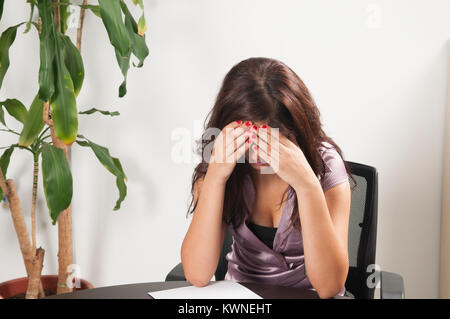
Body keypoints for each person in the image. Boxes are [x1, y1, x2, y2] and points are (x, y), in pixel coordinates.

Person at [181, 57, 354, 298]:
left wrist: (307, 186)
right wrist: (216, 177)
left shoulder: (326, 167)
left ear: (297, 128)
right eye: (250, 138)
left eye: (274, 138)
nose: (260, 153)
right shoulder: (223, 165)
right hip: (242, 298)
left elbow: (329, 287)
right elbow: (197, 274)